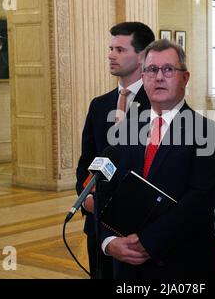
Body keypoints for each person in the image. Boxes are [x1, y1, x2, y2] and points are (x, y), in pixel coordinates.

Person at [100, 39, 215, 279]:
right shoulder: (125, 129)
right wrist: (108, 241)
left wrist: (147, 242)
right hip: (126, 266)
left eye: (168, 70)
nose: (158, 77)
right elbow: (106, 194)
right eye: (151, 70)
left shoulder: (208, 133)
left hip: (182, 265)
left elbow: (199, 202)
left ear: (185, 77)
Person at [75, 22, 154, 279]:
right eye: (110, 48)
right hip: (99, 226)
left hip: (139, 229)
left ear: (142, 56)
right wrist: (86, 196)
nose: (111, 54)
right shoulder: (99, 105)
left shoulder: (159, 104)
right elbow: (87, 160)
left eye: (120, 49)